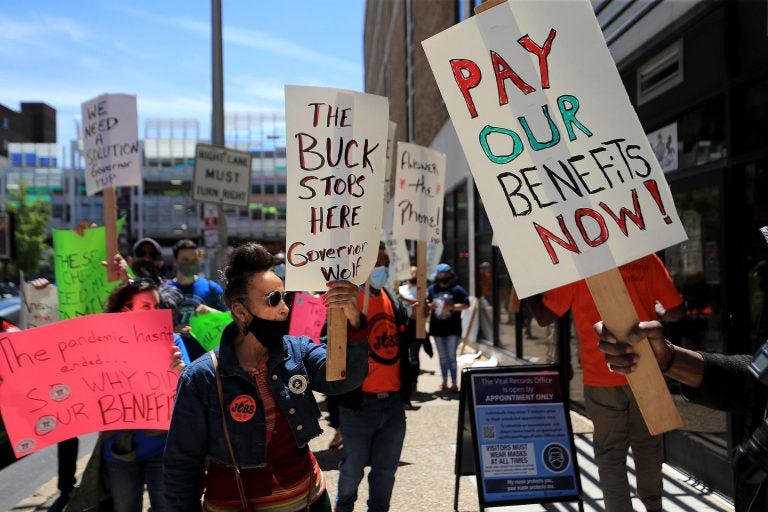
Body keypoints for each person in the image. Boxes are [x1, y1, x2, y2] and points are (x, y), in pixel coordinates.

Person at [163, 242, 369, 511]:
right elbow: (182, 464)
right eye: (273, 299)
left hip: (310, 500)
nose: (284, 308)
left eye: (286, 298)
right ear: (240, 311)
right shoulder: (201, 377)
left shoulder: (299, 351)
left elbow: (343, 379)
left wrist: (354, 323)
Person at [526, 253, 684, 512]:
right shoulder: (646, 257)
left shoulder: (577, 264)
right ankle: (654, 507)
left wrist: (526, 288)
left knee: (611, 452)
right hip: (647, 369)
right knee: (649, 444)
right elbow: (676, 310)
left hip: (601, 373)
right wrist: (655, 312)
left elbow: (545, 316)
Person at [596, 320, 768, 511]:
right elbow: (755, 381)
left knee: (613, 452)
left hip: (604, 381)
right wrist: (668, 358)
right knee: (646, 446)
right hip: (631, 374)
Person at [66, 277, 189, 512]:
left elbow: (189, 389)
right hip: (119, 450)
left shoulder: (173, 342)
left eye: (156, 306)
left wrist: (181, 371)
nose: (154, 312)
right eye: (146, 306)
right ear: (126, 309)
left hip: (163, 448)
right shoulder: (100, 348)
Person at [334, 243, 413, 512]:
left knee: (385, 470)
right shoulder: (349, 300)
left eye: (385, 263)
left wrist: (415, 317)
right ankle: (343, 506)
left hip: (392, 404)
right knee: (353, 468)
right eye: (376, 263)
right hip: (359, 405)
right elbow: (331, 347)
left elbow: (402, 343)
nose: (381, 268)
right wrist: (354, 318)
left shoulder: (391, 298)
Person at [167, 239, 227, 360]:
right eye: (185, 260)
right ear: (175, 261)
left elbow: (230, 321)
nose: (190, 263)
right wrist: (173, 331)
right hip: (176, 361)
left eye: (194, 259)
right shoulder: (164, 292)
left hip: (208, 362)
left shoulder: (212, 289)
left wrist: (211, 312)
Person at [426, 263, 469, 393]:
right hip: (437, 328)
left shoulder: (457, 289)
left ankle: (454, 383)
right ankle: (444, 381)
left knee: (451, 356)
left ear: (450, 274)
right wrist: (430, 305)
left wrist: (452, 307)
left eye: (445, 274)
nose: (442, 277)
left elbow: (466, 304)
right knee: (442, 357)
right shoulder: (432, 289)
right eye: (440, 274)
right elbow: (426, 304)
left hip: (453, 328)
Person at [398, 265, 432, 394]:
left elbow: (422, 303)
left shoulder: (422, 291)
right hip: (401, 326)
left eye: (416, 273)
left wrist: (404, 298)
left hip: (415, 326)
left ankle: (414, 382)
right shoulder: (400, 289)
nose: (413, 275)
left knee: (414, 357)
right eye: (411, 273)